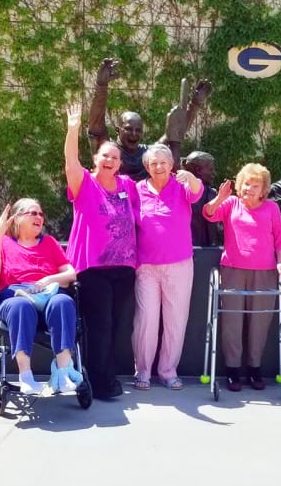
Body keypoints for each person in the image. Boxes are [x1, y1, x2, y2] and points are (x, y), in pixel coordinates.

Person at [65, 103, 138, 400]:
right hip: (92, 268)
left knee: (116, 326)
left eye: (115, 157)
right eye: (105, 155)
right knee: (100, 325)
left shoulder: (128, 185)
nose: (109, 160)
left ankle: (107, 377)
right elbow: (70, 161)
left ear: (120, 163)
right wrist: (72, 130)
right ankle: (101, 383)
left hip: (124, 269)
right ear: (95, 159)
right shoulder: (84, 183)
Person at [203, 163, 281, 391]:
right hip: (233, 269)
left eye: (255, 185)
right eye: (246, 184)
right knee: (232, 321)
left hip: (265, 272)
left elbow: (280, 240)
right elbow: (209, 214)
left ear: (263, 190)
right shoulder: (231, 204)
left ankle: (254, 369)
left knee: (259, 323)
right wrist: (219, 198)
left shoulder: (271, 208)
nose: (249, 188)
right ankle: (232, 371)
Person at [0, 199, 80, 396]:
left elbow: (71, 274)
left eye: (41, 214)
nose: (39, 217)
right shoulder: (5, 244)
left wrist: (48, 279)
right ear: (17, 218)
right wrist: (0, 233)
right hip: (16, 296)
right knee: (20, 306)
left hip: (48, 296)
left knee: (64, 301)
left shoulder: (50, 243)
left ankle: (62, 374)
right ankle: (25, 376)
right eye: (33, 213)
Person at [131, 144, 203, 390]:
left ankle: (168, 371)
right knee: (146, 320)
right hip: (147, 267)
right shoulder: (137, 189)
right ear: (147, 167)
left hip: (179, 265)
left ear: (172, 165)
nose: (158, 167)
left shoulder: (182, 187)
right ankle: (142, 371)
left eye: (163, 162)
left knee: (175, 320)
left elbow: (198, 192)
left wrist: (191, 177)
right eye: (153, 163)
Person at [87, 57, 213, 179]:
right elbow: (96, 127)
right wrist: (101, 86)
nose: (134, 134)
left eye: (138, 130)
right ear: (117, 130)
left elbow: (175, 133)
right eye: (128, 129)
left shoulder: (149, 153)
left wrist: (195, 104)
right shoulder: (110, 152)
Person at [182, 150, 222, 246]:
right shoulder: (181, 192)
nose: (214, 173)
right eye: (211, 169)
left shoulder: (211, 193)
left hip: (198, 249)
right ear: (199, 170)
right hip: (194, 250)